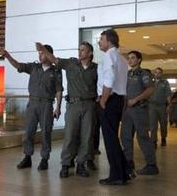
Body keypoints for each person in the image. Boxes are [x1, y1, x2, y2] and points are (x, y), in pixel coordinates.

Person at [36, 41, 97, 178]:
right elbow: (55, 60)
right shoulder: (71, 64)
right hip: (73, 105)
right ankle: (65, 164)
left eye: (83, 50)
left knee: (86, 137)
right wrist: (44, 51)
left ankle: (81, 164)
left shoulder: (95, 68)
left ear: (90, 53)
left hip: (89, 105)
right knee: (69, 135)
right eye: (79, 49)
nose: (80, 52)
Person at [0, 44, 63, 170]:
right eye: (39, 53)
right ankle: (27, 157)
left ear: (49, 54)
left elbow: (59, 90)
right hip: (32, 103)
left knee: (46, 132)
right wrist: (7, 56)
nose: (39, 55)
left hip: (46, 104)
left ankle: (44, 159)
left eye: (42, 53)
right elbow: (18, 65)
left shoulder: (56, 71)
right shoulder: (34, 67)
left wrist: (58, 107)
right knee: (28, 132)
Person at [97, 29, 130, 185]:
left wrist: (103, 101)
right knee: (113, 138)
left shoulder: (109, 55)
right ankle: (124, 172)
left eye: (101, 39)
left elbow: (109, 79)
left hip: (110, 100)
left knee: (110, 140)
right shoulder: (122, 58)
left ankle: (117, 175)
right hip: (118, 100)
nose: (99, 42)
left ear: (109, 41)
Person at [121, 51, 159, 176]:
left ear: (139, 60)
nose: (130, 60)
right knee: (125, 136)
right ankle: (128, 162)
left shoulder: (144, 74)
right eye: (129, 58)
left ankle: (151, 165)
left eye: (133, 58)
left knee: (142, 137)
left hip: (139, 109)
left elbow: (150, 89)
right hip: (127, 111)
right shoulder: (128, 74)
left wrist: (136, 99)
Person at [149, 67, 171, 147]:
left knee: (163, 124)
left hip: (162, 106)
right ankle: (153, 141)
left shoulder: (165, 83)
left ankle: (163, 138)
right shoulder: (151, 83)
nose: (157, 74)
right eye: (156, 72)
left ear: (161, 74)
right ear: (154, 73)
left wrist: (169, 105)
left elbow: (168, 94)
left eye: (159, 72)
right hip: (152, 106)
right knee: (153, 125)